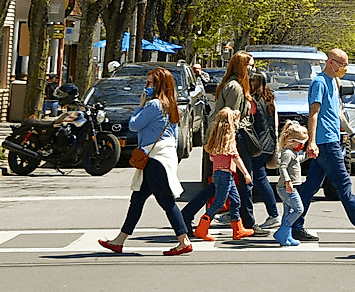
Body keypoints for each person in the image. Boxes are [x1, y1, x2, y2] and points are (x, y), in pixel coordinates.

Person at [290, 48, 355, 243]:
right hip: (325, 141)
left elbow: (338, 113)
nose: (344, 68)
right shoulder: (319, 82)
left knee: (311, 186)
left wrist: (352, 133)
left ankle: (294, 225)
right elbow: (314, 113)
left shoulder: (334, 82)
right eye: (342, 64)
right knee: (344, 184)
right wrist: (311, 141)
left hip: (332, 139)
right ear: (331, 62)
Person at [98, 67, 192, 255]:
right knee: (138, 200)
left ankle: (184, 241)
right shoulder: (170, 105)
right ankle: (119, 241)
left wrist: (140, 105)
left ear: (158, 86)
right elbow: (173, 136)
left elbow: (134, 125)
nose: (146, 86)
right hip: (161, 157)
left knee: (165, 201)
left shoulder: (154, 105)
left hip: (154, 159)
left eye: (150, 83)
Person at [182, 51, 266, 236]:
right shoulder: (235, 87)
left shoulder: (235, 85)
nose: (253, 69)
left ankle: (188, 215)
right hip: (231, 138)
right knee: (242, 182)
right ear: (241, 66)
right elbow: (231, 118)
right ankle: (247, 222)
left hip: (226, 139)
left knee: (219, 185)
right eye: (250, 65)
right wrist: (230, 143)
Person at [194, 107, 253, 241]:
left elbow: (211, 157)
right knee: (219, 204)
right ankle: (201, 229)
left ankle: (238, 230)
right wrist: (245, 174)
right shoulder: (229, 138)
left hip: (222, 174)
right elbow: (236, 156)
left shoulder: (216, 137)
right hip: (225, 175)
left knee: (236, 201)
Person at [248, 71, 282, 229]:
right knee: (258, 179)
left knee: (259, 179)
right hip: (269, 144)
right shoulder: (269, 99)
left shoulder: (253, 101)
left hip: (257, 145)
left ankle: (274, 214)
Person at [273, 121, 310, 246]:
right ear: (292, 141)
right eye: (301, 144)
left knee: (288, 211)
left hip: (288, 187)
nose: (302, 147)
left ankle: (286, 237)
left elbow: (296, 161)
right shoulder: (288, 153)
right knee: (299, 209)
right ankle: (282, 232)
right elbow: (282, 167)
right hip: (287, 187)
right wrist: (288, 181)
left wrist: (306, 156)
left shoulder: (292, 152)